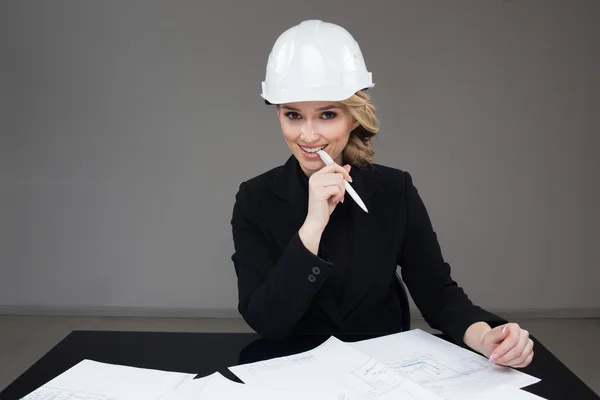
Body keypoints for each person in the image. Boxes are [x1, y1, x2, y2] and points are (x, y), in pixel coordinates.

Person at [230, 19, 534, 368]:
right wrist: (312, 225)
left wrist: (484, 336)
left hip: (383, 368)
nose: (308, 135)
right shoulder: (255, 199)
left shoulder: (394, 190)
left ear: (354, 117)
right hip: (292, 369)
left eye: (327, 114)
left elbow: (436, 291)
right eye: (293, 115)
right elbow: (266, 320)